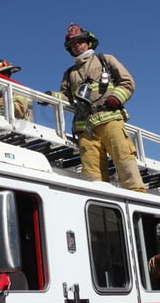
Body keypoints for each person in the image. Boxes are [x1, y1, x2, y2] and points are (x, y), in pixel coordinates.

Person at [49, 24, 145, 192]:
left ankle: (137, 194)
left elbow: (127, 82)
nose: (77, 45)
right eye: (73, 44)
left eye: (80, 42)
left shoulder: (105, 60)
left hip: (110, 119)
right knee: (91, 172)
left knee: (124, 158)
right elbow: (67, 97)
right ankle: (100, 202)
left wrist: (116, 97)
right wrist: (51, 97)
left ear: (89, 42)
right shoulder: (70, 73)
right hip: (85, 127)